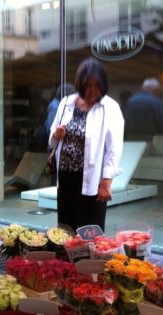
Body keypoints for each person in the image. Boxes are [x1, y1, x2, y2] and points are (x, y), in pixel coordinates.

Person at [49, 57, 124, 231]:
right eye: (88, 85)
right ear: (80, 85)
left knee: (91, 231)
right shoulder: (66, 103)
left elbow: (114, 148)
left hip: (92, 179)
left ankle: (90, 259)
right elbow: (52, 138)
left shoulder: (110, 108)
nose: (92, 90)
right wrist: (56, 134)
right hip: (66, 177)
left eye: (97, 85)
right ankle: (66, 259)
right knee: (65, 230)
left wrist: (106, 182)